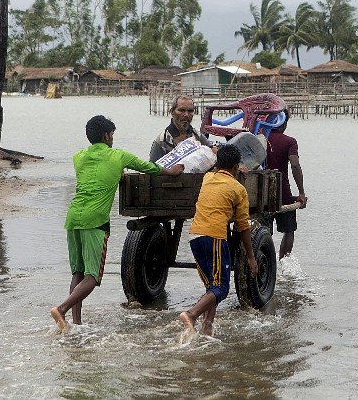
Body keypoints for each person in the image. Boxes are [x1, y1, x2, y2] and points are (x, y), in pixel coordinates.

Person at [51, 115, 183, 333]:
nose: (113, 139)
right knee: (92, 278)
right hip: (95, 221)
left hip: (73, 218)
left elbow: (98, 175)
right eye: (112, 135)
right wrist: (172, 171)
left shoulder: (79, 157)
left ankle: (75, 323)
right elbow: (150, 167)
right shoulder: (118, 156)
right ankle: (62, 309)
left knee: (78, 273)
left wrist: (116, 174)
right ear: (106, 135)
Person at [179, 144, 258, 336]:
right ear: (236, 167)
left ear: (217, 165)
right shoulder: (238, 189)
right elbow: (243, 227)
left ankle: (207, 327)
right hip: (213, 237)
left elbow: (215, 169)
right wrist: (250, 256)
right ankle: (191, 314)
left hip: (194, 236)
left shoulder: (208, 178)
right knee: (221, 288)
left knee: (211, 287)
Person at [265, 109, 306, 260]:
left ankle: (266, 260)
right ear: (284, 122)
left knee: (263, 231)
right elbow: (295, 165)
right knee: (289, 231)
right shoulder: (289, 141)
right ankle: (283, 261)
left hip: (261, 194)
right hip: (283, 192)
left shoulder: (260, 139)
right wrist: (301, 193)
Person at [150, 95, 214, 162]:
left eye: (190, 111)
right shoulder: (161, 141)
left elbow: (212, 151)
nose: (186, 114)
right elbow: (153, 168)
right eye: (182, 110)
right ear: (172, 112)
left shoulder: (197, 135)